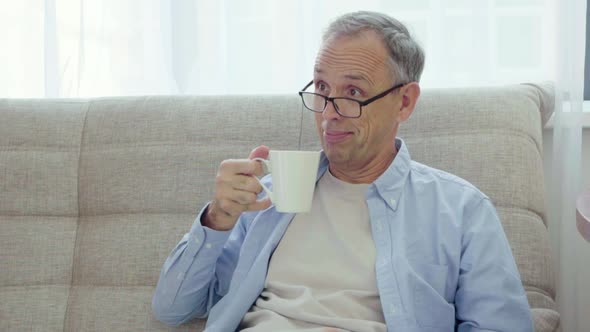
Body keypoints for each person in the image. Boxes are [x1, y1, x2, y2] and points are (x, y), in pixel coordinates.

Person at [152, 11, 533, 332]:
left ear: (404, 101)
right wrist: (217, 218)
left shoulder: (460, 209)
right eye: (321, 87)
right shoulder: (266, 197)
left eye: (352, 93)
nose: (329, 112)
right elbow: (172, 308)